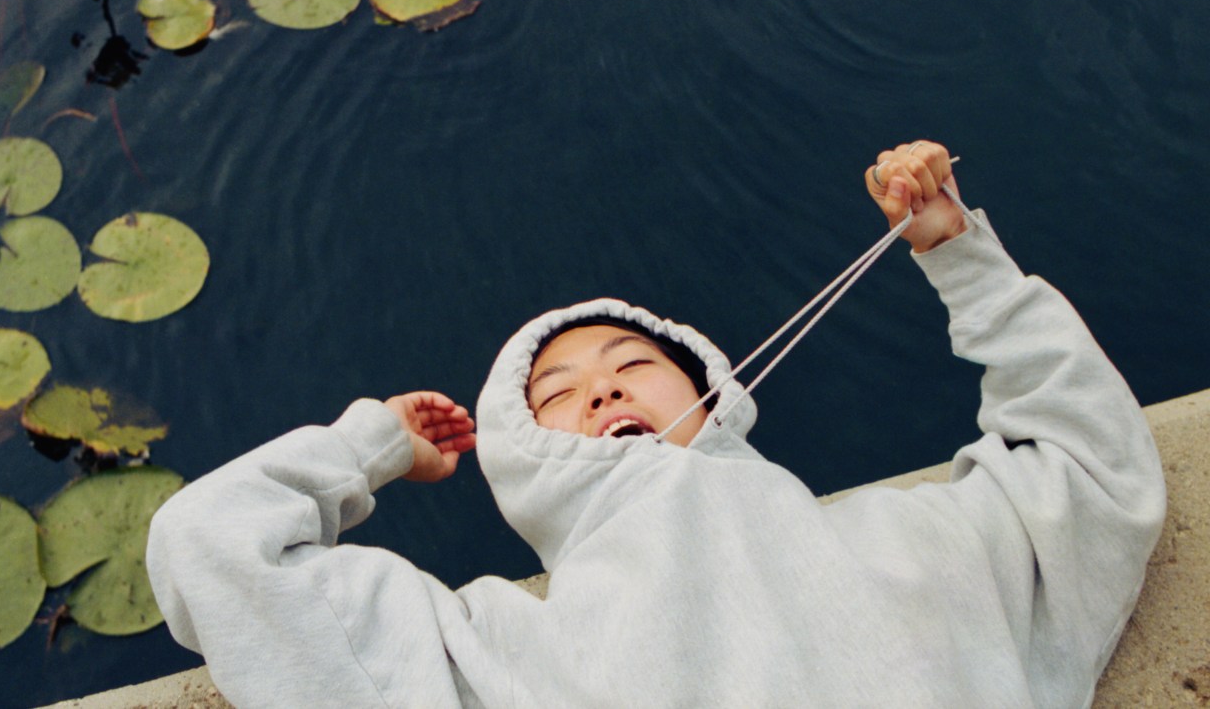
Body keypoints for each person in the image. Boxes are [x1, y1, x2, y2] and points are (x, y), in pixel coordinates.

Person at [147, 140, 1165, 707]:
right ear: (523, 455)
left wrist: (963, 257)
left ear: (712, 391)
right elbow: (216, 552)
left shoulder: (924, 547)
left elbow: (1092, 467)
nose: (602, 388)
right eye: (557, 395)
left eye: (634, 363)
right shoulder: (499, 653)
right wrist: (365, 443)